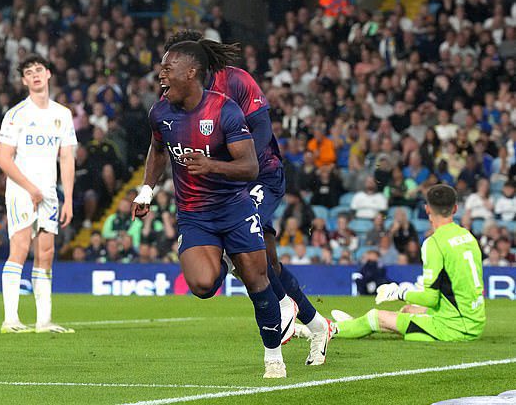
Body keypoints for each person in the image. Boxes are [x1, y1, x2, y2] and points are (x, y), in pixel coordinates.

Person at [163, 30, 333, 365]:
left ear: (193, 64)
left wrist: (234, 163)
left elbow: (263, 129)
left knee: (242, 243)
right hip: (221, 185)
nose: (167, 71)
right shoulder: (179, 96)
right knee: (267, 263)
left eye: (173, 63)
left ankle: (283, 306)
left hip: (261, 176)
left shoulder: (237, 81)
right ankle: (318, 326)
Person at [132, 41, 286, 378]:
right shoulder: (160, 112)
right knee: (202, 286)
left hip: (234, 209)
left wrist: (212, 165)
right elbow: (157, 150)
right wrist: (146, 190)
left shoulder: (224, 110)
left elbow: (250, 167)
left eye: (167, 69)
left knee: (257, 281)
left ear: (190, 73)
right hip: (194, 215)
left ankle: (273, 356)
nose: (161, 75)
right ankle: (225, 260)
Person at [328, 184, 485, 341]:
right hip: (474, 321)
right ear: (455, 208)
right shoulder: (468, 236)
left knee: (375, 317)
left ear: (427, 209)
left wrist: (399, 293)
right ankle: (354, 325)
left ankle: (330, 329)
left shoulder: (434, 243)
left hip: (453, 328)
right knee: (408, 310)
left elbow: (430, 299)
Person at [0, 54, 76, 334]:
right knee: (19, 248)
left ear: (49, 74)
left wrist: (68, 198)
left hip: (49, 193)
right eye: (29, 72)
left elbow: (67, 158)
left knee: (46, 252)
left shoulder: (62, 114)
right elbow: (3, 159)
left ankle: (44, 321)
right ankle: (10, 320)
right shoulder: (16, 114)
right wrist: (30, 188)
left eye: (39, 70)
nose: (35, 75)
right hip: (22, 190)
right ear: (24, 81)